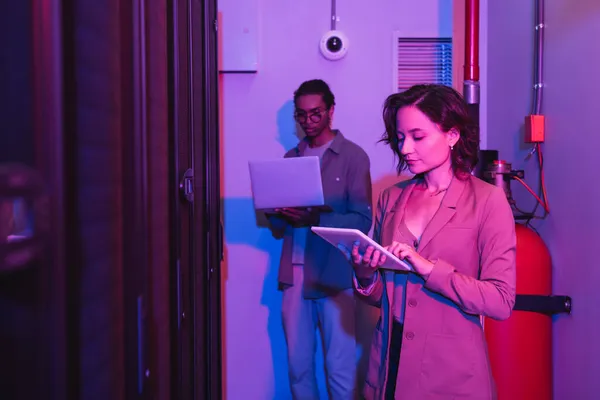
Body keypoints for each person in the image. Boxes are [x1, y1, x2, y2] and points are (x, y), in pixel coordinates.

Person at [341, 84, 516, 399]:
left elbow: (501, 301)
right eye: (400, 138)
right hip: (389, 366)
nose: (405, 148)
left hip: (451, 373)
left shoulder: (488, 201)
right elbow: (386, 296)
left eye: (418, 137)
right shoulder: (391, 198)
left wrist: (430, 269)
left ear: (452, 135)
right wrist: (365, 275)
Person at [267, 79, 373, 399]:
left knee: (338, 370)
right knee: (298, 368)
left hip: (333, 274)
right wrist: (276, 210)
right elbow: (276, 228)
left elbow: (362, 221)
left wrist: (316, 218)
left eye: (315, 114)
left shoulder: (353, 157)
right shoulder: (290, 157)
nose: (308, 122)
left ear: (330, 112)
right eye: (301, 116)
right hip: (294, 274)